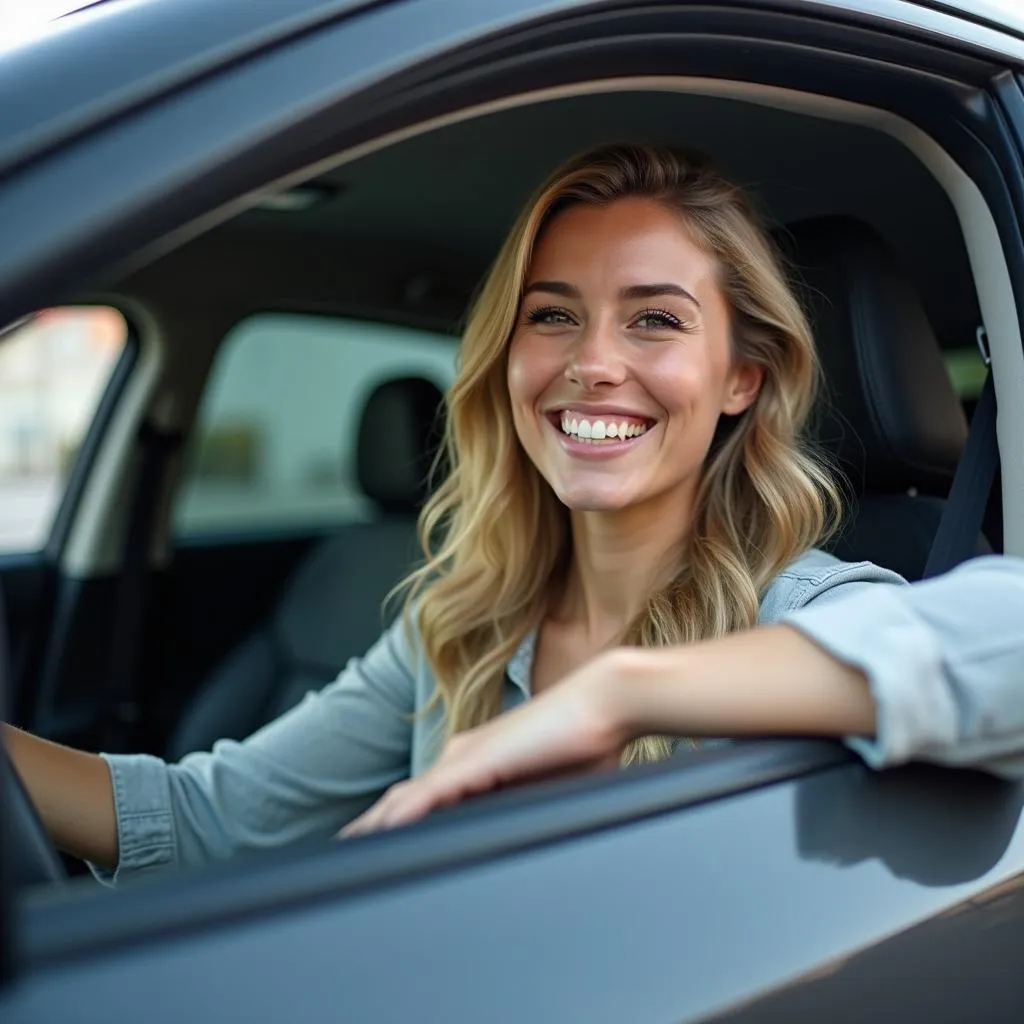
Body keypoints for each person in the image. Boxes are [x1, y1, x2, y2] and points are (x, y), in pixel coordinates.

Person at [5, 144, 1024, 883]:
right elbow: (195, 822)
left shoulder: (793, 610)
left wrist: (622, 691)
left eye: (655, 320)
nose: (592, 361)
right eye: (552, 315)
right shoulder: (458, 623)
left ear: (741, 380)